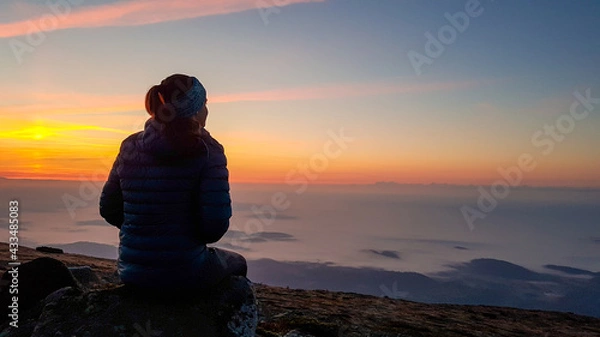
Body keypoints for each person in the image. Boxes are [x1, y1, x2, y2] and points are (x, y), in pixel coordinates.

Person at [99, 74, 247, 292]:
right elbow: (214, 228)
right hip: (186, 273)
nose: (207, 111)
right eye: (205, 104)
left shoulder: (129, 146)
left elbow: (109, 209)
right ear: (194, 110)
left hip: (132, 272)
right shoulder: (208, 151)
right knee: (238, 263)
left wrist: (147, 229)